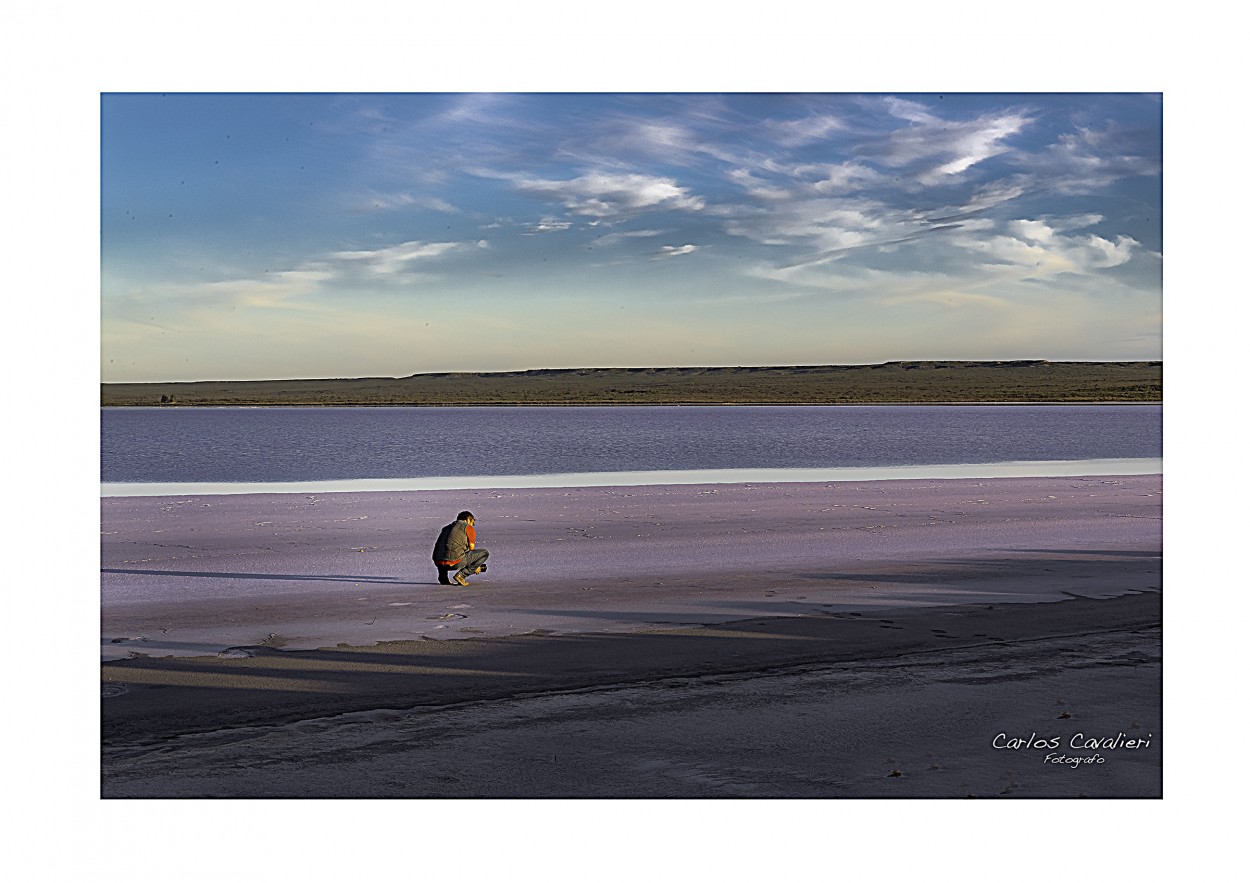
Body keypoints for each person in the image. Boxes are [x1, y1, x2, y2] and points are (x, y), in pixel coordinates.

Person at [432, 510, 489, 586]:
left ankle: (443, 577)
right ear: (468, 519)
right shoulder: (468, 527)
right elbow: (471, 550)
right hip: (455, 562)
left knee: (444, 551)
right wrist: (475, 567)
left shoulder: (446, 528)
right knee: (484, 553)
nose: (473, 524)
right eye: (473, 521)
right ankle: (461, 575)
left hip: (438, 563)